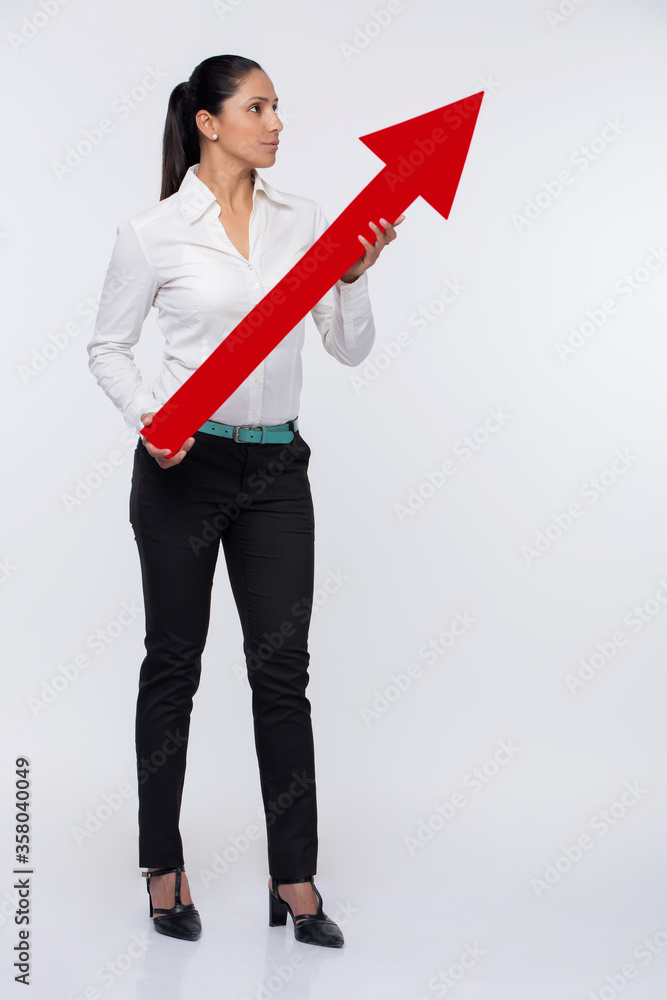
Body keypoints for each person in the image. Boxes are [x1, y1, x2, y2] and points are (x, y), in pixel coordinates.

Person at [87, 54, 403, 947]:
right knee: (172, 667)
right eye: (258, 107)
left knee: (281, 674)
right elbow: (108, 347)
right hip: (183, 470)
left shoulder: (302, 221)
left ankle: (292, 876)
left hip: (275, 473)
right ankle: (163, 866)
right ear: (209, 122)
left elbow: (348, 348)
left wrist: (352, 277)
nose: (276, 123)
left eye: (276, 107)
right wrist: (150, 419)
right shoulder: (152, 232)